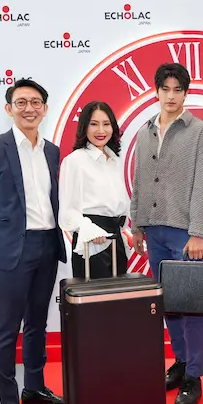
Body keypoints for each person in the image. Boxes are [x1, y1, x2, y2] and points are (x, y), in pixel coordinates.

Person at [0, 79, 68, 404]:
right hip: (13, 248)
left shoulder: (52, 151)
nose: (30, 108)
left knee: (38, 323)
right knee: (8, 326)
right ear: (9, 108)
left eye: (36, 102)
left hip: (47, 244)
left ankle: (34, 387)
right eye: (22, 102)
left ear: (45, 108)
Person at [130, 62, 203, 404]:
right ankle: (180, 363)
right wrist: (137, 224)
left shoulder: (200, 132)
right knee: (168, 303)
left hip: (184, 232)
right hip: (153, 229)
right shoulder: (145, 131)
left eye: (177, 90)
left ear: (185, 93)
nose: (170, 96)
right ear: (156, 91)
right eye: (165, 89)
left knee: (190, 305)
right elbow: (139, 180)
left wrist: (198, 232)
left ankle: (194, 375)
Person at [59, 101, 128, 278]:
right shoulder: (74, 161)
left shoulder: (114, 160)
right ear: (84, 127)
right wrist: (89, 230)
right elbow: (67, 211)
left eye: (106, 124)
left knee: (119, 293)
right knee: (94, 295)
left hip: (116, 238)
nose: (101, 130)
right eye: (94, 124)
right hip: (91, 241)